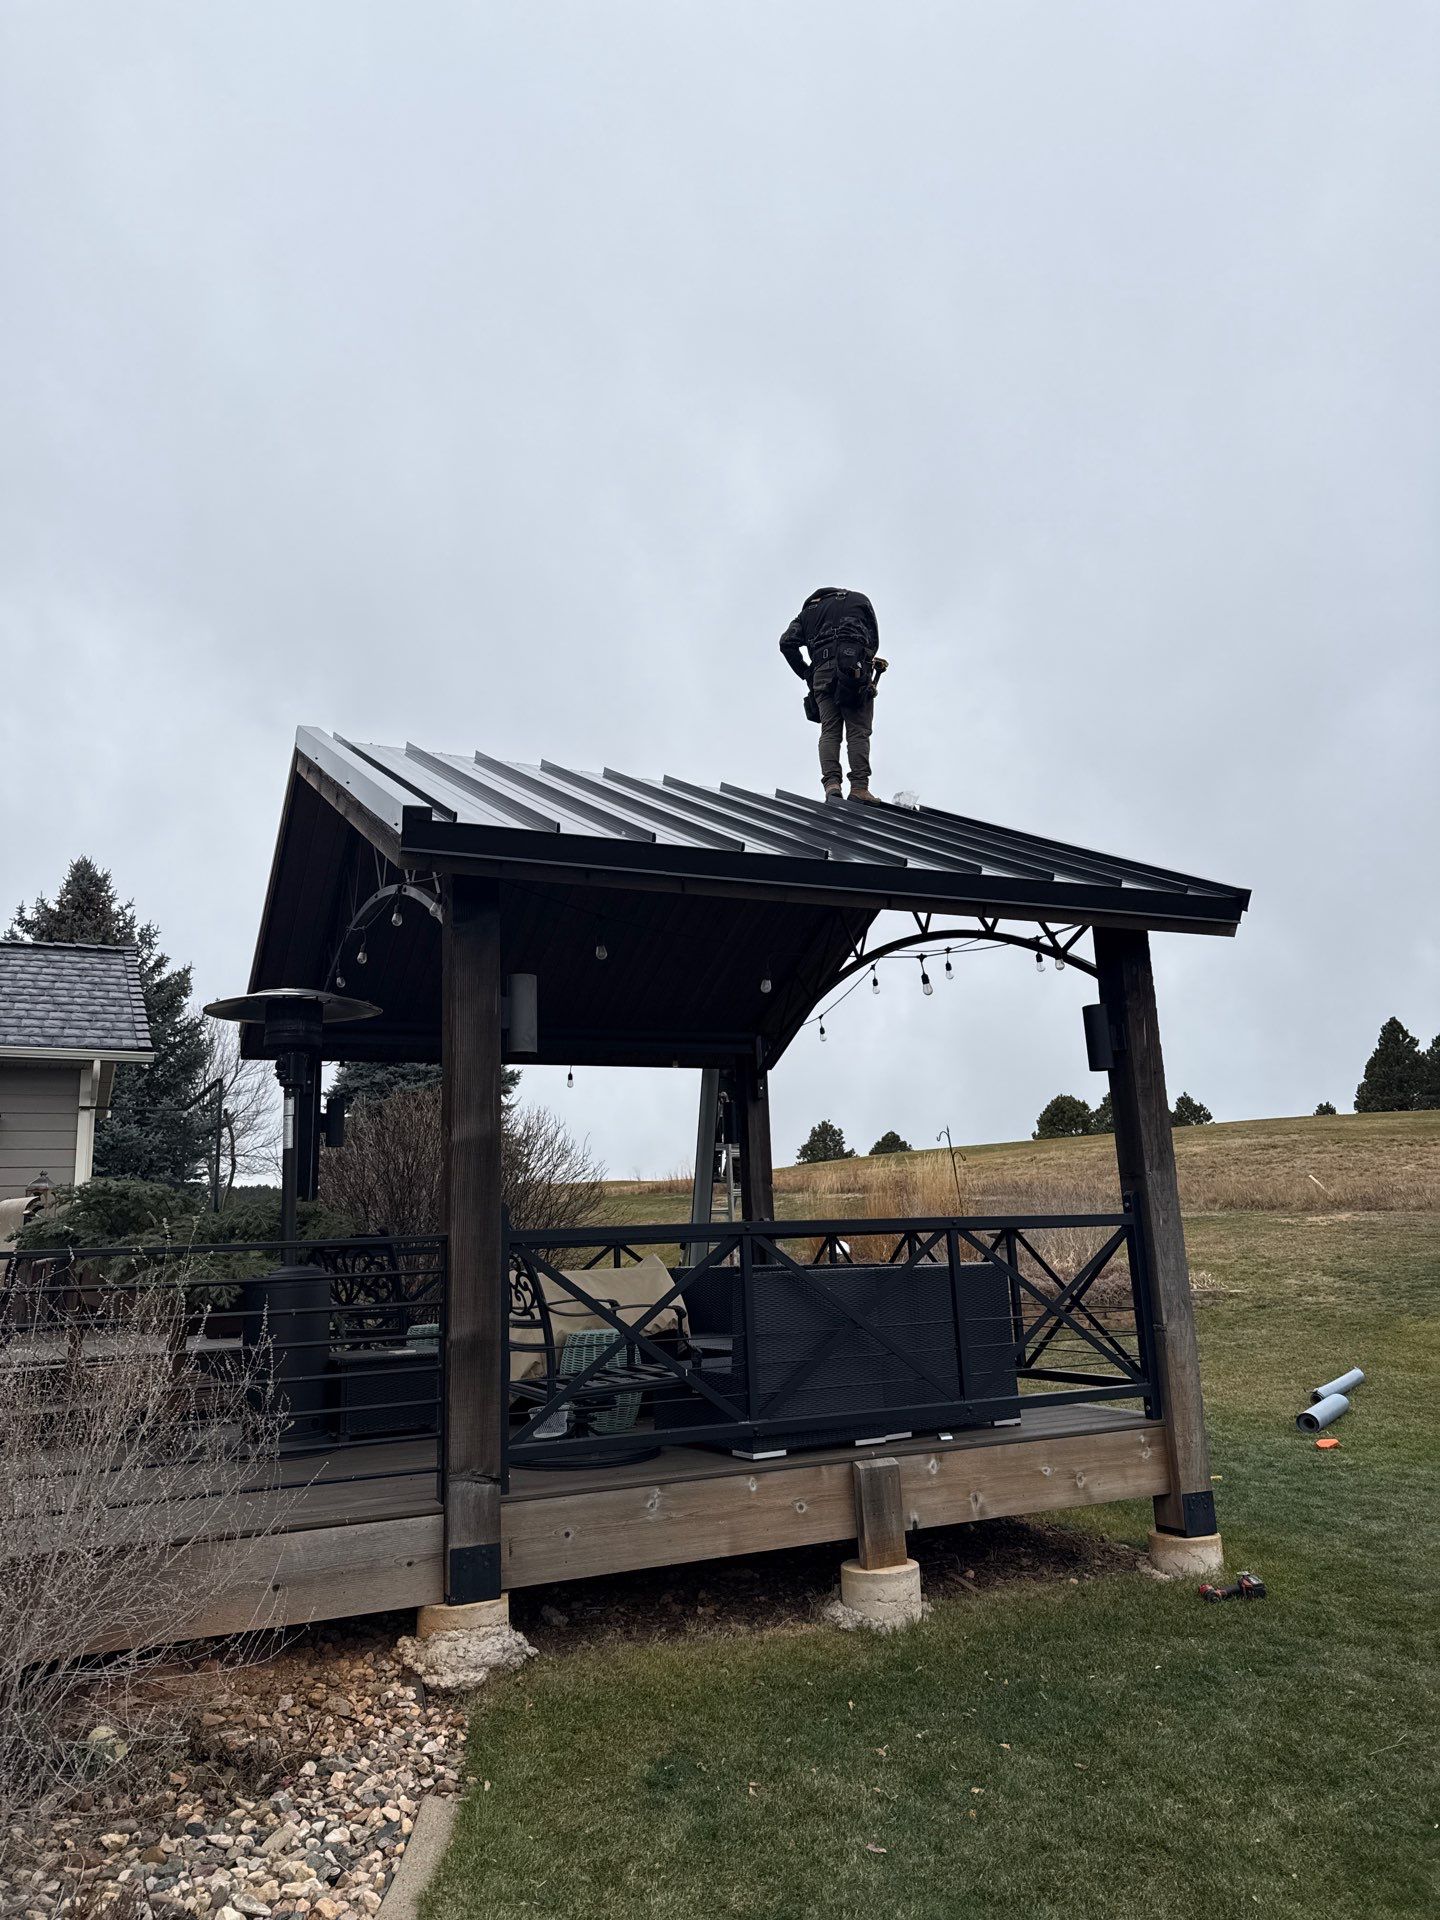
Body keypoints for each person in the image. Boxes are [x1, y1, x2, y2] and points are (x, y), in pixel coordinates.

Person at [778, 587, 885, 802]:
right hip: (854, 670)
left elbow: (786, 642)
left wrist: (807, 672)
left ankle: (832, 784)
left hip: (822, 672)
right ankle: (859, 788)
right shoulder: (860, 600)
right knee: (858, 731)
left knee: (829, 732)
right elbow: (872, 640)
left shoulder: (808, 611)